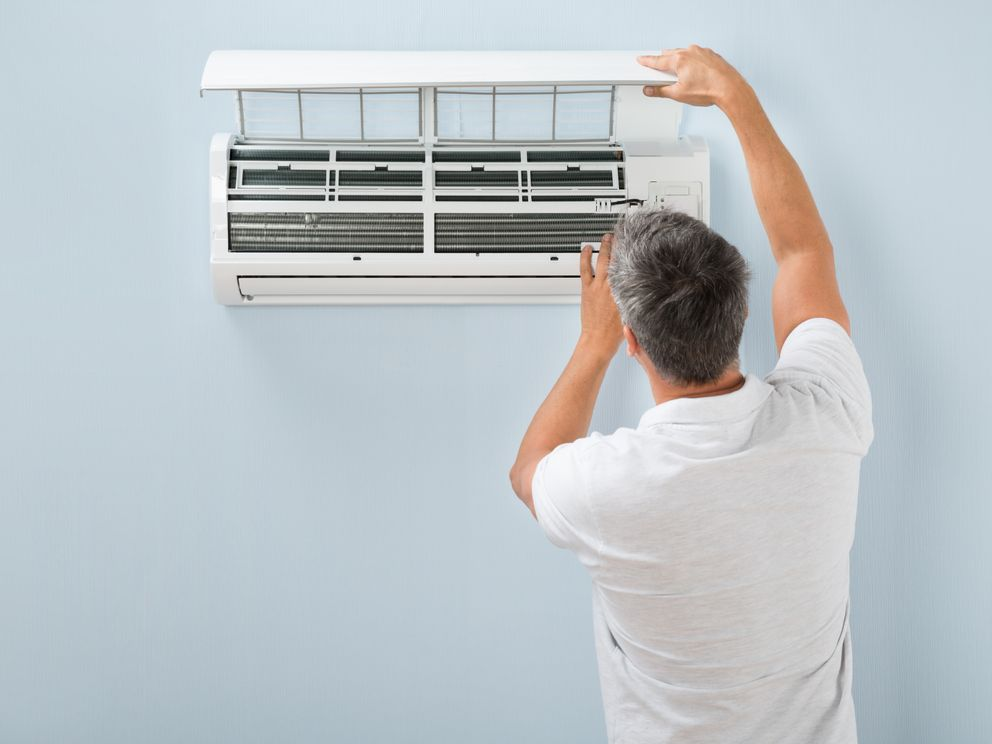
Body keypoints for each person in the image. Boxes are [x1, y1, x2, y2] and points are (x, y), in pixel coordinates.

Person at [509, 46, 873, 744]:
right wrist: (737, 97)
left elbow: (529, 472)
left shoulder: (604, 488)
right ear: (742, 310)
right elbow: (804, 252)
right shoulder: (829, 413)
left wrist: (592, 344)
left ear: (634, 341)